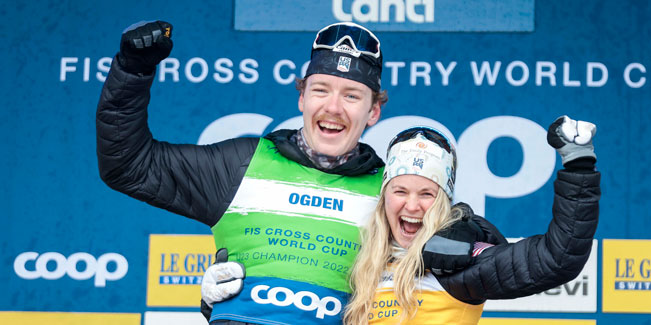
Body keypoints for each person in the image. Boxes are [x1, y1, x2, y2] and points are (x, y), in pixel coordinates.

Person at [96, 21, 497, 324]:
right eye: (321, 89)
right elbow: (128, 166)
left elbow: (464, 238)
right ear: (302, 96)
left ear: (374, 111)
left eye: (352, 95)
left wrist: (471, 230)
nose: (334, 107)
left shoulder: (389, 191)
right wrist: (133, 71)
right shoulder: (241, 163)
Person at [341, 118, 600, 324]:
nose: (411, 205)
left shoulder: (453, 260)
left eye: (426, 194)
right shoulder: (364, 258)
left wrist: (578, 165)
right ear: (384, 197)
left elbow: (557, 258)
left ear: (443, 201)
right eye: (400, 191)